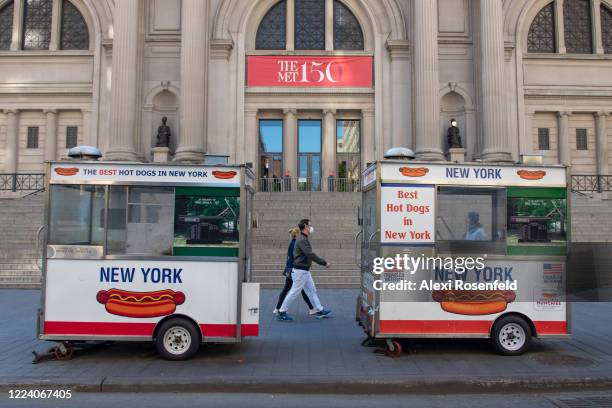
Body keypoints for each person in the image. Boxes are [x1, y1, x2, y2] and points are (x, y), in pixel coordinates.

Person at [276, 219, 332, 321]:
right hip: (300, 271)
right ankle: (282, 311)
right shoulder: (302, 239)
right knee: (294, 292)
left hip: (304, 270)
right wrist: (324, 262)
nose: (311, 227)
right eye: (310, 225)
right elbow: (309, 254)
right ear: (305, 226)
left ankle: (319, 309)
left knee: (312, 290)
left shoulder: (303, 238)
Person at [273, 227, 317, 316]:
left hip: (290, 269)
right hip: (295, 270)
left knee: (290, 289)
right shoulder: (296, 244)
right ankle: (311, 308)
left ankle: (277, 308)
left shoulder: (292, 243)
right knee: (300, 289)